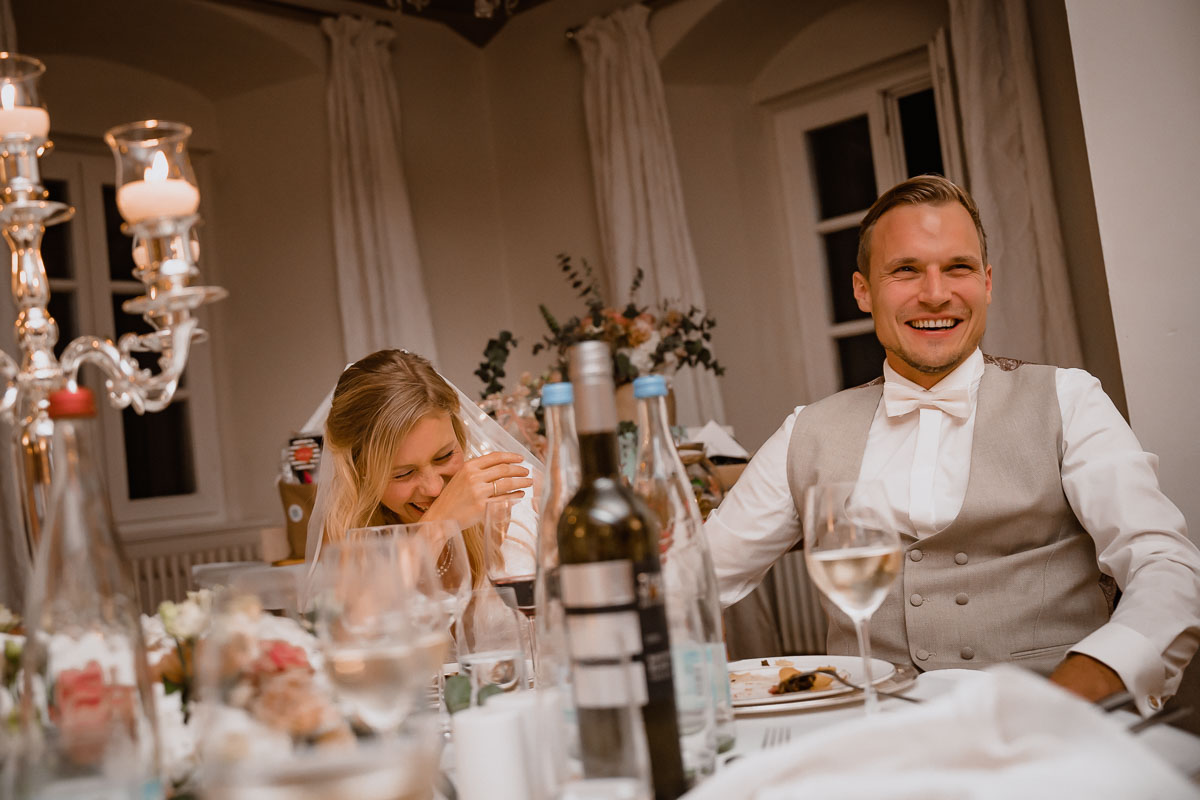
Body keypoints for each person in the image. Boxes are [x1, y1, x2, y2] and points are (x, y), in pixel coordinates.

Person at [705, 174, 1200, 715]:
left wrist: (1093, 680)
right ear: (863, 290)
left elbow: (1164, 562)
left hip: (1057, 737)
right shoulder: (806, 432)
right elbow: (696, 579)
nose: (936, 293)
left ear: (987, 282)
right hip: (876, 746)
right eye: (905, 270)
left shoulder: (1070, 399)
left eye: (958, 268)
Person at [305, 349, 539, 585]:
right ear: (360, 470)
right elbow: (362, 619)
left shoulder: (524, 497)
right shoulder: (347, 539)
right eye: (404, 473)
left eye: (445, 456)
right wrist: (438, 526)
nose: (435, 489)